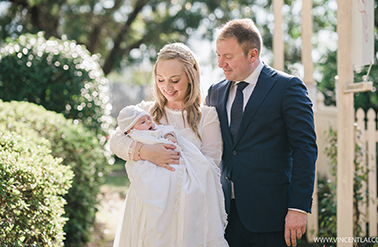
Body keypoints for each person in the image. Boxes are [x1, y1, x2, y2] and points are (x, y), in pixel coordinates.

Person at [205, 18, 318, 247]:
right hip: (224, 215)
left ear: (252, 55)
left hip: (272, 215)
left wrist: (298, 208)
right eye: (218, 55)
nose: (220, 64)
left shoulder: (288, 88)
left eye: (228, 57)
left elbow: (305, 149)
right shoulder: (214, 92)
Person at [110, 43, 229, 247]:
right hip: (147, 205)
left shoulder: (206, 116)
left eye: (175, 80)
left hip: (187, 209)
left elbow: (211, 165)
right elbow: (115, 140)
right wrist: (146, 152)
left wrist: (176, 160)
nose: (168, 87)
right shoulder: (145, 113)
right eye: (161, 80)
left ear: (191, 78)